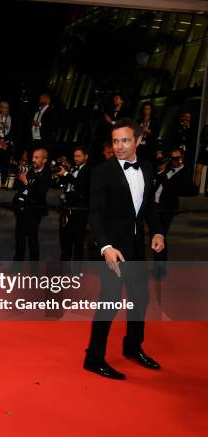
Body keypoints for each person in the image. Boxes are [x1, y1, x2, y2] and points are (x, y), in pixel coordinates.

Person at [84, 118, 164, 380]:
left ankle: (132, 347)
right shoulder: (101, 172)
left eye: (125, 140)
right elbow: (95, 214)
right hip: (113, 250)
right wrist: (105, 246)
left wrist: (158, 231)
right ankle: (93, 359)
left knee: (141, 298)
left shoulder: (149, 168)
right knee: (109, 301)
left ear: (138, 141)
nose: (119, 146)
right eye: (116, 141)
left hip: (136, 248)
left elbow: (149, 206)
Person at [12, 148, 50, 261]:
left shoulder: (46, 175)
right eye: (33, 157)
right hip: (22, 208)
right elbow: (17, 188)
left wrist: (25, 182)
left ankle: (34, 271)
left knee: (32, 239)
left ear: (44, 160)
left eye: (37, 158)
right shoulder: (29, 170)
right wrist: (20, 179)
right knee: (19, 237)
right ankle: (17, 264)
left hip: (34, 210)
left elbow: (39, 194)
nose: (33, 160)